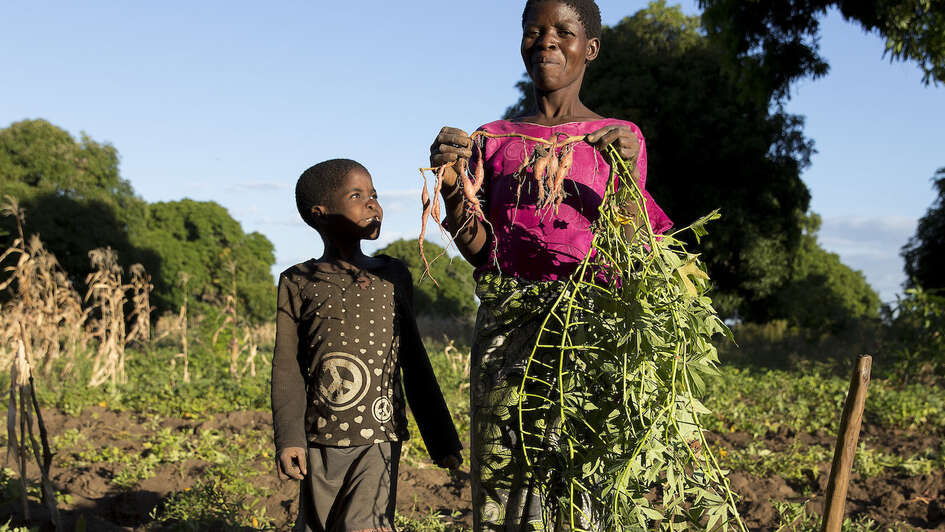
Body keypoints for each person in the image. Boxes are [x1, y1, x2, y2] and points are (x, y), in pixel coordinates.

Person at [429, 0, 672, 529]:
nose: (547, 41)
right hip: (507, 326)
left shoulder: (619, 138)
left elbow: (633, 245)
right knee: (504, 472)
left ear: (591, 48)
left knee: (582, 480)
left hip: (590, 328)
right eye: (534, 30)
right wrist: (451, 190)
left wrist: (628, 175)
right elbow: (481, 251)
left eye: (564, 30)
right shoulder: (492, 139)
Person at [271, 158, 462, 532]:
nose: (373, 203)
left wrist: (441, 439)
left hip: (379, 434)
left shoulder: (392, 276)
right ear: (320, 214)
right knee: (317, 525)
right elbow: (287, 365)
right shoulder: (297, 281)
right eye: (356, 196)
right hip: (319, 436)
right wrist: (289, 438)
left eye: (374, 194)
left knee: (365, 524)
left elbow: (414, 358)